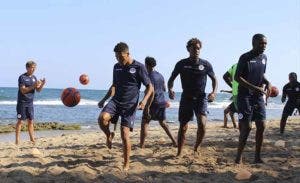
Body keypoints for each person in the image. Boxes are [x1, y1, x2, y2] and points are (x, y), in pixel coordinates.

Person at [98, 42, 153, 171]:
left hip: (130, 105)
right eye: (116, 57)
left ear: (127, 54)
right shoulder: (116, 67)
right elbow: (114, 85)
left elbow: (150, 87)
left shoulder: (139, 67)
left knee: (124, 134)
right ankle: (109, 136)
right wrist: (104, 99)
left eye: (120, 57)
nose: (118, 60)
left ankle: (126, 163)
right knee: (102, 119)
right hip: (115, 101)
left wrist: (144, 101)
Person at [168, 38, 218, 157]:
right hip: (186, 98)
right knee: (183, 126)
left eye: (198, 48)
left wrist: (214, 92)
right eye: (193, 48)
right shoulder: (181, 63)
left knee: (202, 124)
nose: (196, 50)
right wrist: (170, 89)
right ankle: (179, 152)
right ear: (188, 49)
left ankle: (196, 147)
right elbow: (171, 79)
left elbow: (214, 79)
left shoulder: (205, 64)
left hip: (201, 98)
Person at [234, 34, 272, 164]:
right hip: (244, 96)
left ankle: (257, 157)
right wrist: (254, 87)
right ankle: (238, 158)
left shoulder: (264, 58)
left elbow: (262, 75)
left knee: (261, 125)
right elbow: (237, 78)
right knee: (247, 127)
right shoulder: (244, 57)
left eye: (265, 44)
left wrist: (268, 83)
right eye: (261, 43)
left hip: (258, 97)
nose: (264, 46)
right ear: (253, 43)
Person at [140, 57, 177, 148]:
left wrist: (147, 106)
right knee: (163, 123)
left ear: (146, 65)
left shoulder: (148, 76)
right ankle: (174, 141)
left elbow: (151, 91)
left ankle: (142, 145)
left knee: (145, 122)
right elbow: (164, 89)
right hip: (161, 102)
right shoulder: (160, 75)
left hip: (152, 102)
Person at [16, 61, 46, 145]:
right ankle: (17, 141)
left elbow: (38, 90)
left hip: (30, 103)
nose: (34, 69)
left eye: (35, 67)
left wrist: (42, 84)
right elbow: (23, 90)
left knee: (31, 121)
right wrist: (33, 85)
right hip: (22, 103)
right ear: (27, 68)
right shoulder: (22, 77)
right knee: (20, 121)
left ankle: (32, 139)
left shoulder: (34, 77)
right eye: (32, 67)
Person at [222, 63, 239, 128]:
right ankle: (233, 125)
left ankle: (229, 125)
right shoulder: (235, 84)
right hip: (237, 97)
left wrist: (225, 90)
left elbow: (225, 77)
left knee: (227, 111)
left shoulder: (235, 66)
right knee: (230, 112)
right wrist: (224, 91)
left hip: (238, 97)